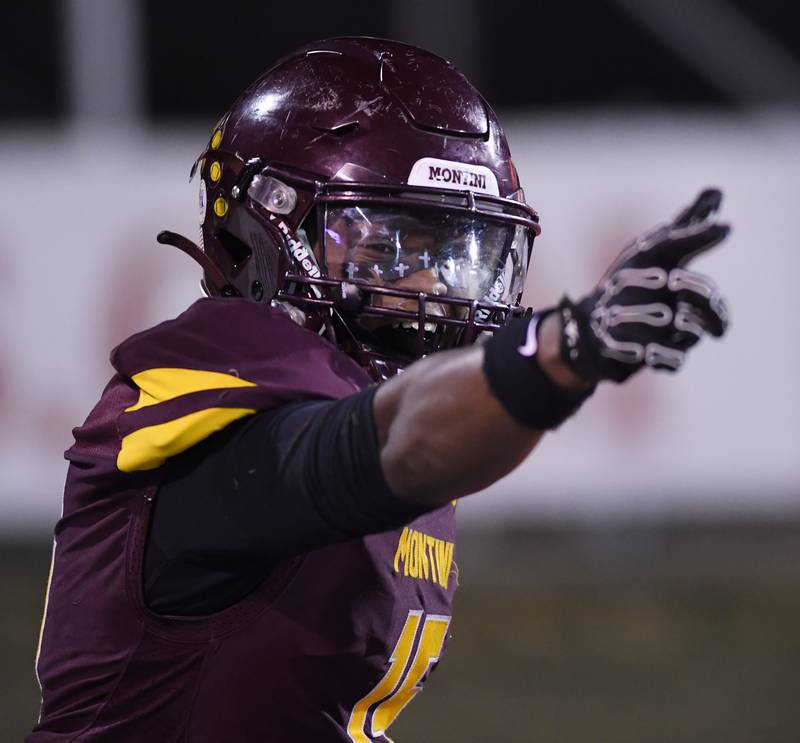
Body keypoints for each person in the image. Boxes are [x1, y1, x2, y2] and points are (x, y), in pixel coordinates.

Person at [30, 37, 729, 742]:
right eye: (385, 249)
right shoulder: (222, 402)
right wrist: (562, 348)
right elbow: (376, 449)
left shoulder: (375, 401)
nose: (432, 288)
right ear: (267, 230)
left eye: (457, 255)